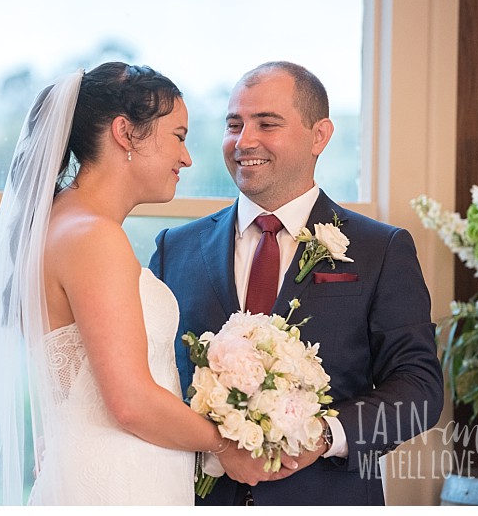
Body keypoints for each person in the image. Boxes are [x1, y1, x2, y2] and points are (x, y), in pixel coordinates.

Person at [0, 62, 267, 506]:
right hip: (118, 487)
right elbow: (131, 402)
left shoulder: (60, 224)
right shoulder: (94, 237)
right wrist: (225, 444)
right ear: (125, 132)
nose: (187, 157)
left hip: (100, 471)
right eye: (178, 136)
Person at [149, 61, 445, 505]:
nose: (244, 141)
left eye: (267, 124)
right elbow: (148, 377)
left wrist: (324, 435)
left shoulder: (380, 249)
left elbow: (419, 386)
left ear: (320, 136)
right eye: (234, 124)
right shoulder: (177, 248)